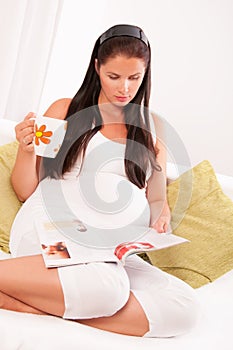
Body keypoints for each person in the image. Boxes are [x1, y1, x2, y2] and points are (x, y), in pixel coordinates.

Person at [0, 24, 199, 337]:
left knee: (182, 307)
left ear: (146, 73)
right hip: (54, 232)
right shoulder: (65, 110)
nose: (124, 88)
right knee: (106, 287)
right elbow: (26, 190)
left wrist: (162, 217)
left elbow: (156, 199)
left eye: (135, 77)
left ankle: (35, 305)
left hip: (107, 249)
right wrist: (27, 151)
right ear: (97, 68)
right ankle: (57, 293)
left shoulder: (151, 133)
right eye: (114, 76)